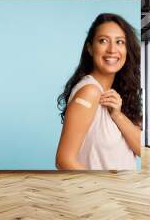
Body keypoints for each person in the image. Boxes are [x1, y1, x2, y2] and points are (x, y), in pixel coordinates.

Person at [55, 13, 142, 170]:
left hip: (125, 192)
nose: (112, 49)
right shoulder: (89, 92)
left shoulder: (119, 94)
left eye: (119, 42)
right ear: (90, 48)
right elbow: (64, 160)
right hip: (102, 193)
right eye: (103, 41)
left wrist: (117, 115)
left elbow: (140, 149)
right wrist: (102, 190)